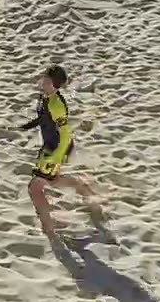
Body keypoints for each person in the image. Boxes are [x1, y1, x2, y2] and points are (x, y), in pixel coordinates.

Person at [20, 65, 104, 239]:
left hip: (55, 148)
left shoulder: (56, 105)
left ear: (54, 85)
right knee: (53, 181)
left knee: (35, 188)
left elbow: (65, 133)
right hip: (49, 147)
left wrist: (57, 157)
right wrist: (24, 127)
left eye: (47, 81)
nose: (43, 82)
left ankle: (49, 229)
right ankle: (84, 190)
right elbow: (43, 118)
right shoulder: (45, 97)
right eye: (44, 79)